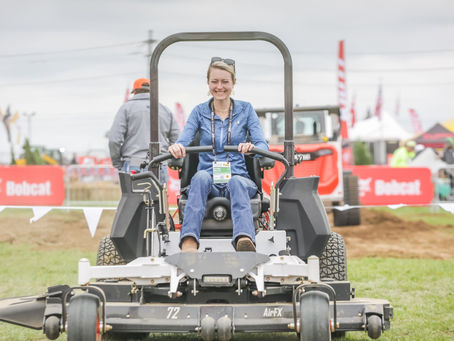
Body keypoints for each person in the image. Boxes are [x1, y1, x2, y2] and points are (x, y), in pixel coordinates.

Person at [168, 57, 268, 253]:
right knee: (200, 177)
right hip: (209, 180)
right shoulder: (199, 112)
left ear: (233, 83)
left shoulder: (246, 110)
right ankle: (189, 240)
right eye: (215, 81)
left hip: (238, 178)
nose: (219, 86)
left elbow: (262, 144)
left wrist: (252, 148)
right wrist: (177, 147)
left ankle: (244, 239)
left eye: (224, 82)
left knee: (237, 182)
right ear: (208, 83)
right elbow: (184, 138)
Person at [108, 78, 180, 184]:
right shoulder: (165, 110)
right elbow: (177, 139)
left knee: (134, 199)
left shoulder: (126, 109)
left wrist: (117, 163)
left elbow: (114, 139)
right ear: (151, 91)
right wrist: (168, 159)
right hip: (160, 163)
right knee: (159, 199)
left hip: (134, 162)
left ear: (135, 92)